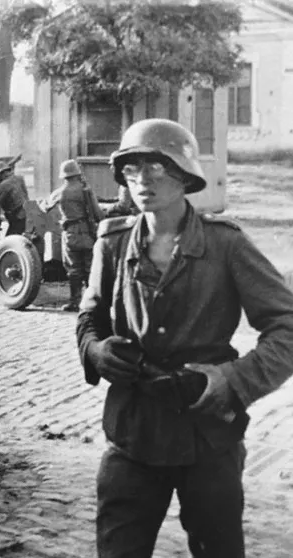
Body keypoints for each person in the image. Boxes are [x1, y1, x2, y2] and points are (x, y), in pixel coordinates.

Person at [76, 118, 293, 558]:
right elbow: (89, 317)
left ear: (184, 175)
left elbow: (287, 327)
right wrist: (95, 350)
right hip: (134, 432)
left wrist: (232, 380)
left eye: (156, 168)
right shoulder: (112, 243)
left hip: (207, 435)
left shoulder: (226, 245)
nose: (142, 180)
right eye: (132, 169)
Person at [41, 159, 104, 312]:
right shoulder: (86, 191)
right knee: (90, 268)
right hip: (88, 233)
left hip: (70, 234)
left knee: (73, 270)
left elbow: (44, 207)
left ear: (64, 176)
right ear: (78, 174)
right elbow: (98, 214)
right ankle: (93, 302)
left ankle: (75, 302)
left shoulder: (60, 192)